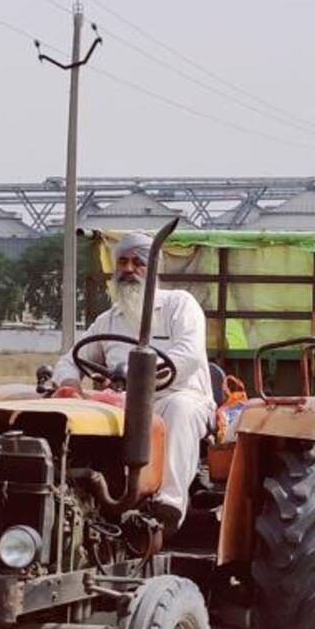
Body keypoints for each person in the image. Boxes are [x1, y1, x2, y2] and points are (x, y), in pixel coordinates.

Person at [51, 230, 215, 538]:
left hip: (176, 396)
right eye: (122, 262)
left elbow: (188, 356)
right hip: (122, 404)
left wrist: (143, 381)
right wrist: (70, 382)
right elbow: (70, 358)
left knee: (178, 410)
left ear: (154, 267)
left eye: (138, 262)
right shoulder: (109, 320)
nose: (128, 269)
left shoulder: (180, 305)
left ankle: (168, 507)